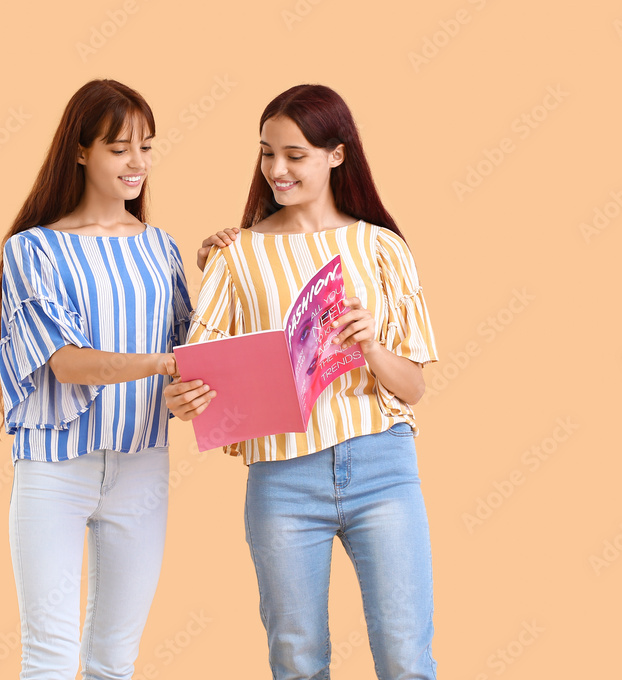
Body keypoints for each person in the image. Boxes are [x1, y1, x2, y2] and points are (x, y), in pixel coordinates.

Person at [166, 84, 439, 679]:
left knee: (405, 656)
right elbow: (197, 367)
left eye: (295, 155)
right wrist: (185, 397)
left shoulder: (382, 248)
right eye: (267, 153)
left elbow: (413, 389)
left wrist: (369, 344)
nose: (276, 170)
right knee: (296, 659)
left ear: (336, 154)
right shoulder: (238, 254)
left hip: (382, 467)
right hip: (283, 479)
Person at [0, 79, 191, 680]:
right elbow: (67, 361)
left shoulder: (162, 249)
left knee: (114, 662)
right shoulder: (33, 249)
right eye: (118, 147)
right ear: (80, 152)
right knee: (49, 657)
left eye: (146, 147)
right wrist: (161, 365)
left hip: (142, 465)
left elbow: (192, 352)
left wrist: (225, 258)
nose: (137, 163)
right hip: (54, 468)